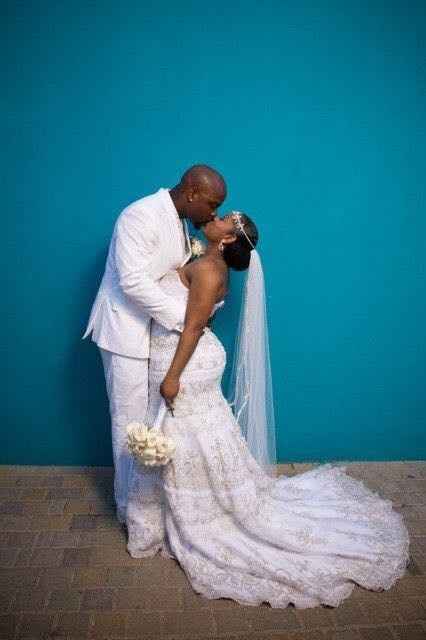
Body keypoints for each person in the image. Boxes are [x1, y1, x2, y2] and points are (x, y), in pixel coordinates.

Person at [125, 211, 410, 609]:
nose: (216, 217)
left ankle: (202, 516)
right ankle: (185, 509)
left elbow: (191, 328)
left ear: (226, 241)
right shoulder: (203, 260)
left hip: (185, 360)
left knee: (182, 438)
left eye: (225, 219)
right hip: (188, 356)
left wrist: (172, 376)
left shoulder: (208, 270)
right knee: (193, 440)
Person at [81, 165, 226, 524]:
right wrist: (186, 318)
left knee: (150, 422)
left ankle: (147, 505)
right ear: (192, 192)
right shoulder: (139, 215)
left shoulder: (179, 221)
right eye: (212, 204)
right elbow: (132, 282)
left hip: (154, 335)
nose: (214, 214)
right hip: (124, 333)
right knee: (129, 423)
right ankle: (131, 513)